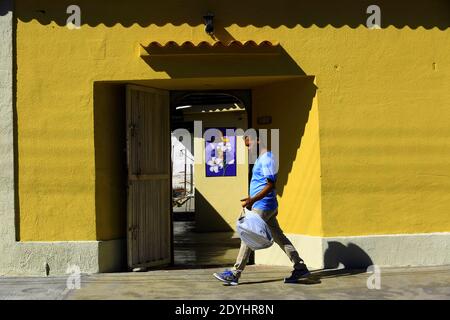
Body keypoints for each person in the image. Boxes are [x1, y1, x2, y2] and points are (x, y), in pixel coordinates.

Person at [213, 135, 311, 286]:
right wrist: (251, 197)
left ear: (257, 140)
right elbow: (261, 183)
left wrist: (253, 200)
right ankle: (300, 266)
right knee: (279, 237)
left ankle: (235, 273)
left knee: (248, 236)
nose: (249, 149)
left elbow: (271, 184)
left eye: (249, 145)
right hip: (264, 205)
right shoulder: (261, 158)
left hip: (263, 206)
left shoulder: (267, 159)